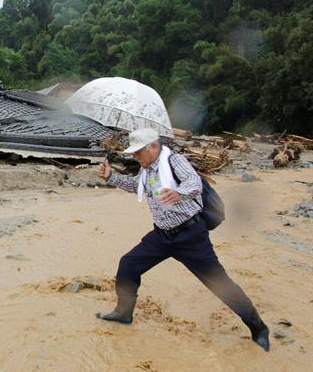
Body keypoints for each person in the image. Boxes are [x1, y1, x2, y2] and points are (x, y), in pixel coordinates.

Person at [97, 127, 270, 351]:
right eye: (134, 153)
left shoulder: (174, 161)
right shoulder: (147, 169)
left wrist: (179, 193)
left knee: (221, 285)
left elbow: (194, 183)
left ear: (153, 147)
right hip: (161, 235)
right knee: (128, 265)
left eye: (139, 152)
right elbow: (135, 186)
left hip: (191, 237)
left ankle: (259, 328)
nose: (136, 156)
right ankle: (123, 313)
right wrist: (110, 176)